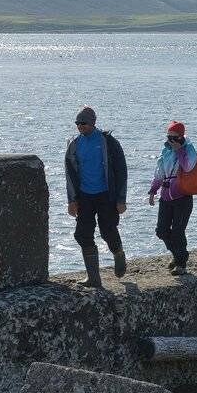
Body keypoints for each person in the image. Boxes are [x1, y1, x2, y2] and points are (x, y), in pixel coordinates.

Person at [64, 105, 128, 287]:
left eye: (83, 123)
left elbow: (121, 171)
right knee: (82, 234)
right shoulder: (74, 144)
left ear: (92, 123)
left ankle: (118, 253)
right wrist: (72, 200)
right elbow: (69, 173)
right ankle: (94, 278)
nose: (80, 126)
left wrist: (121, 199)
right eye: (77, 123)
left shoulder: (108, 142)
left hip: (106, 195)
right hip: (84, 196)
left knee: (108, 231)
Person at [149, 120, 197, 275]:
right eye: (169, 137)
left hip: (182, 197)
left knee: (178, 231)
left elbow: (188, 166)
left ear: (181, 137)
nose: (170, 141)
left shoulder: (188, 149)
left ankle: (181, 264)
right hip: (166, 197)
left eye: (174, 138)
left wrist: (179, 150)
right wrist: (153, 190)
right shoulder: (165, 151)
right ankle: (179, 255)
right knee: (161, 231)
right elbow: (159, 172)